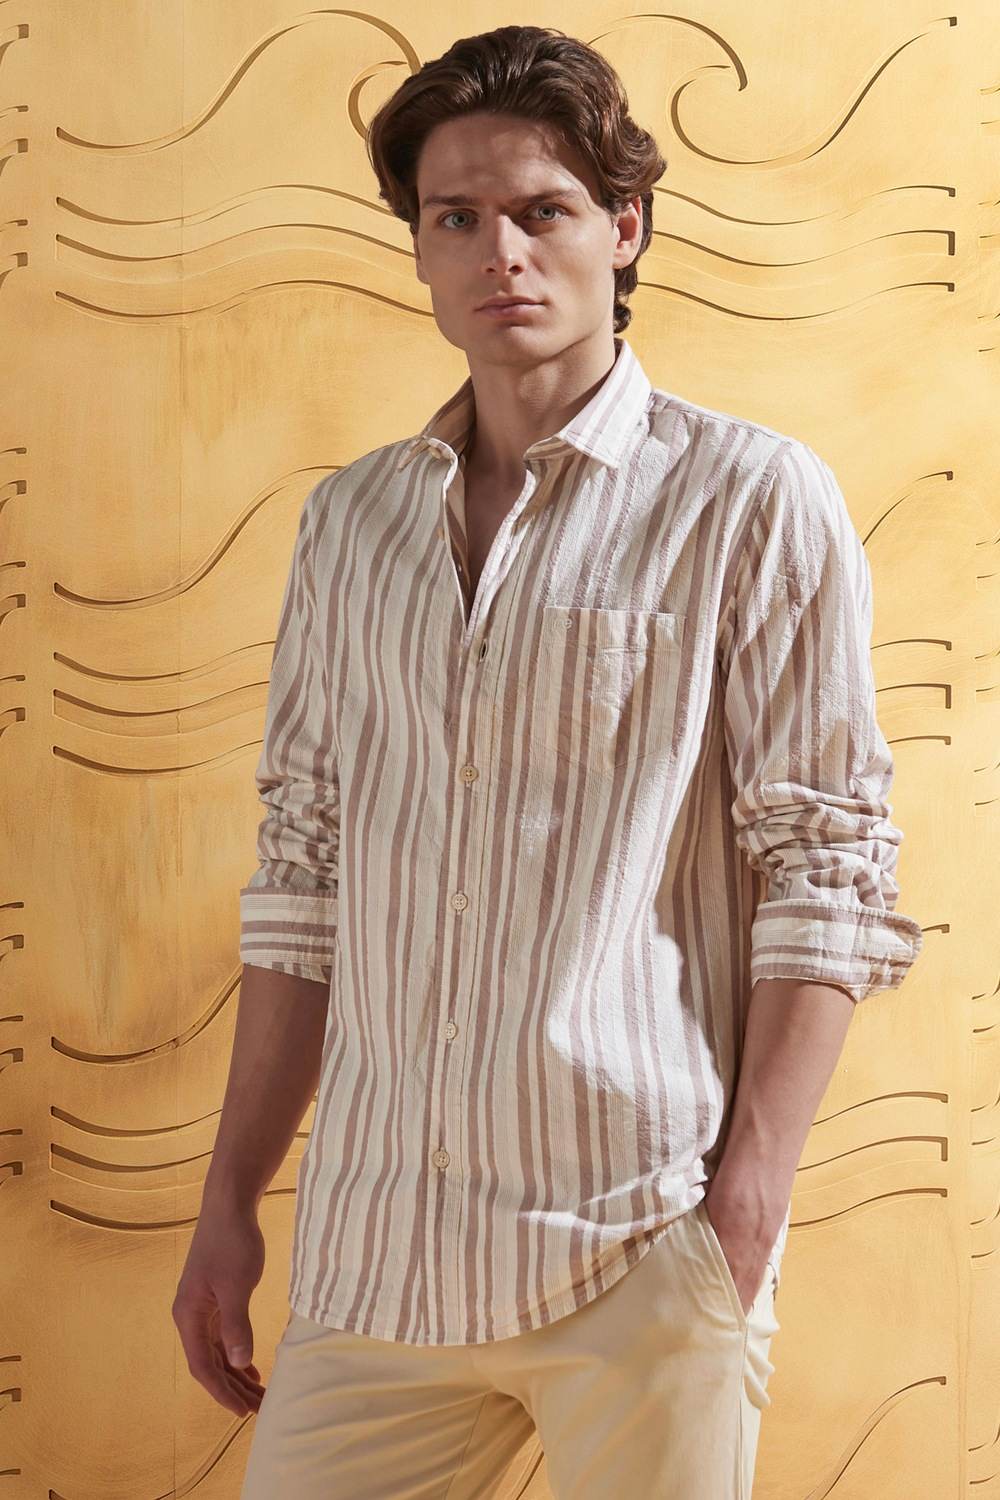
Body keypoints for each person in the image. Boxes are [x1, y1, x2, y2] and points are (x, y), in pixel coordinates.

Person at [172, 23, 925, 1499]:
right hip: (379, 1254)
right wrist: (230, 1200)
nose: (501, 254)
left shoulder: (749, 498)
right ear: (418, 247)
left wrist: (745, 1213)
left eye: (543, 210)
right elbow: (305, 873)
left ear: (622, 226)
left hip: (638, 1242)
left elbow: (829, 865)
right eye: (456, 217)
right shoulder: (353, 525)